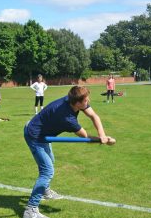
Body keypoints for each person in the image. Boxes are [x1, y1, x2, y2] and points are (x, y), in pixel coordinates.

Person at [23, 86, 115, 218]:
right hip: (35, 136)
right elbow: (85, 136)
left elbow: (94, 116)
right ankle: (30, 210)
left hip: (42, 133)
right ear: (78, 103)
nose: (88, 101)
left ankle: (45, 191)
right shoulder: (67, 118)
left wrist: (102, 135)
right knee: (47, 171)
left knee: (50, 163)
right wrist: (102, 140)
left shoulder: (73, 100)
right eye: (85, 100)